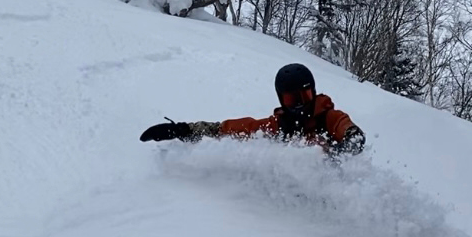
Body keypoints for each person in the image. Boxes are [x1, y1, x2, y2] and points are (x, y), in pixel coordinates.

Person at [140, 63, 365, 155]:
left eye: (304, 96)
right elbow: (227, 129)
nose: (299, 104)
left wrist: (348, 144)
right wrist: (184, 130)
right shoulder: (278, 126)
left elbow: (349, 130)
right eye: (291, 99)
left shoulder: (329, 118)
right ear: (281, 99)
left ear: (313, 92)